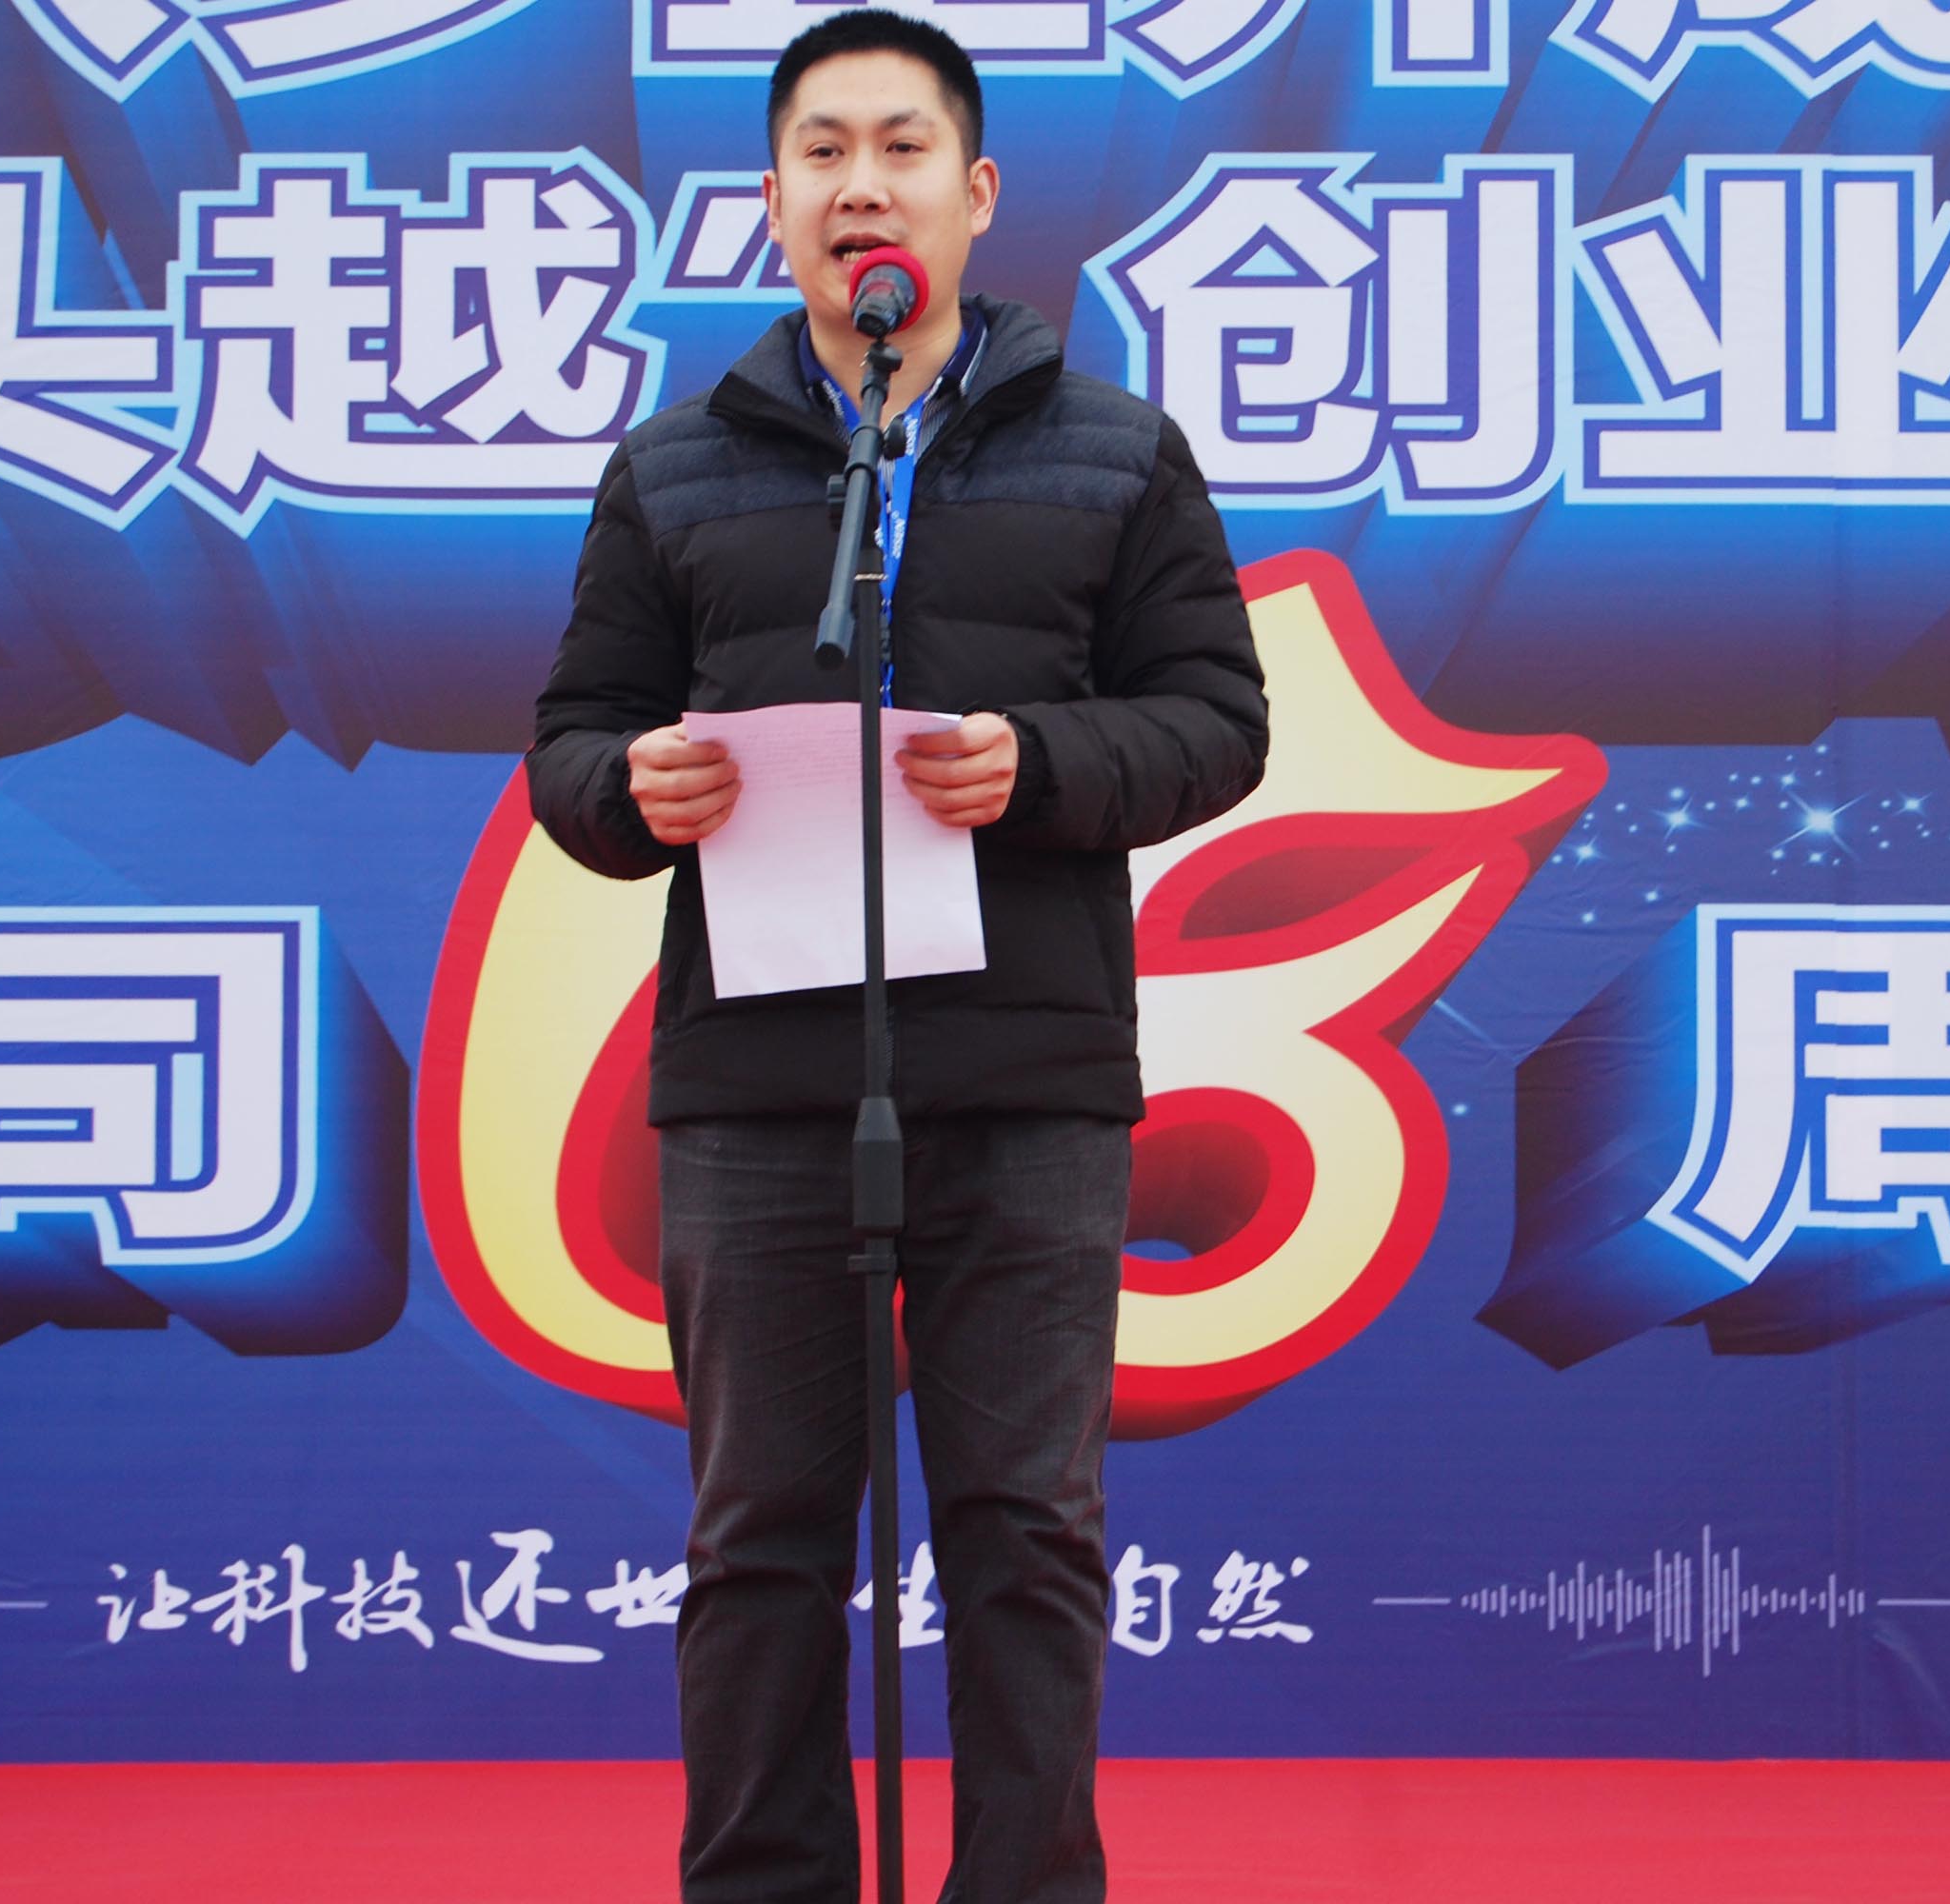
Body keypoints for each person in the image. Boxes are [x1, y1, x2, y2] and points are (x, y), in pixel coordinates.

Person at [525, 11, 1268, 1901]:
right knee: (760, 1539)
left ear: (976, 191)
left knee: (1026, 1531)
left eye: (903, 148)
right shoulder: (677, 468)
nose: (863, 186)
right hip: (762, 1086)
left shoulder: (1116, 453)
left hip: (1029, 1085)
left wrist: (1043, 765)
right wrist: (633, 786)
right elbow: (570, 747)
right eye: (824, 152)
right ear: (773, 199)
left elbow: (1217, 722)